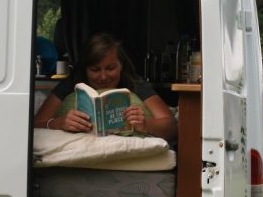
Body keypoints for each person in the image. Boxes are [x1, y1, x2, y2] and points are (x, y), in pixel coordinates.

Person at [34, 32, 177, 142]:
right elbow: (36, 125)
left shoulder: (134, 82)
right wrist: (60, 123)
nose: (103, 77)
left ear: (121, 65)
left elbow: (171, 126)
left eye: (110, 68)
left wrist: (146, 124)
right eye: (95, 70)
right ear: (85, 69)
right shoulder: (71, 83)